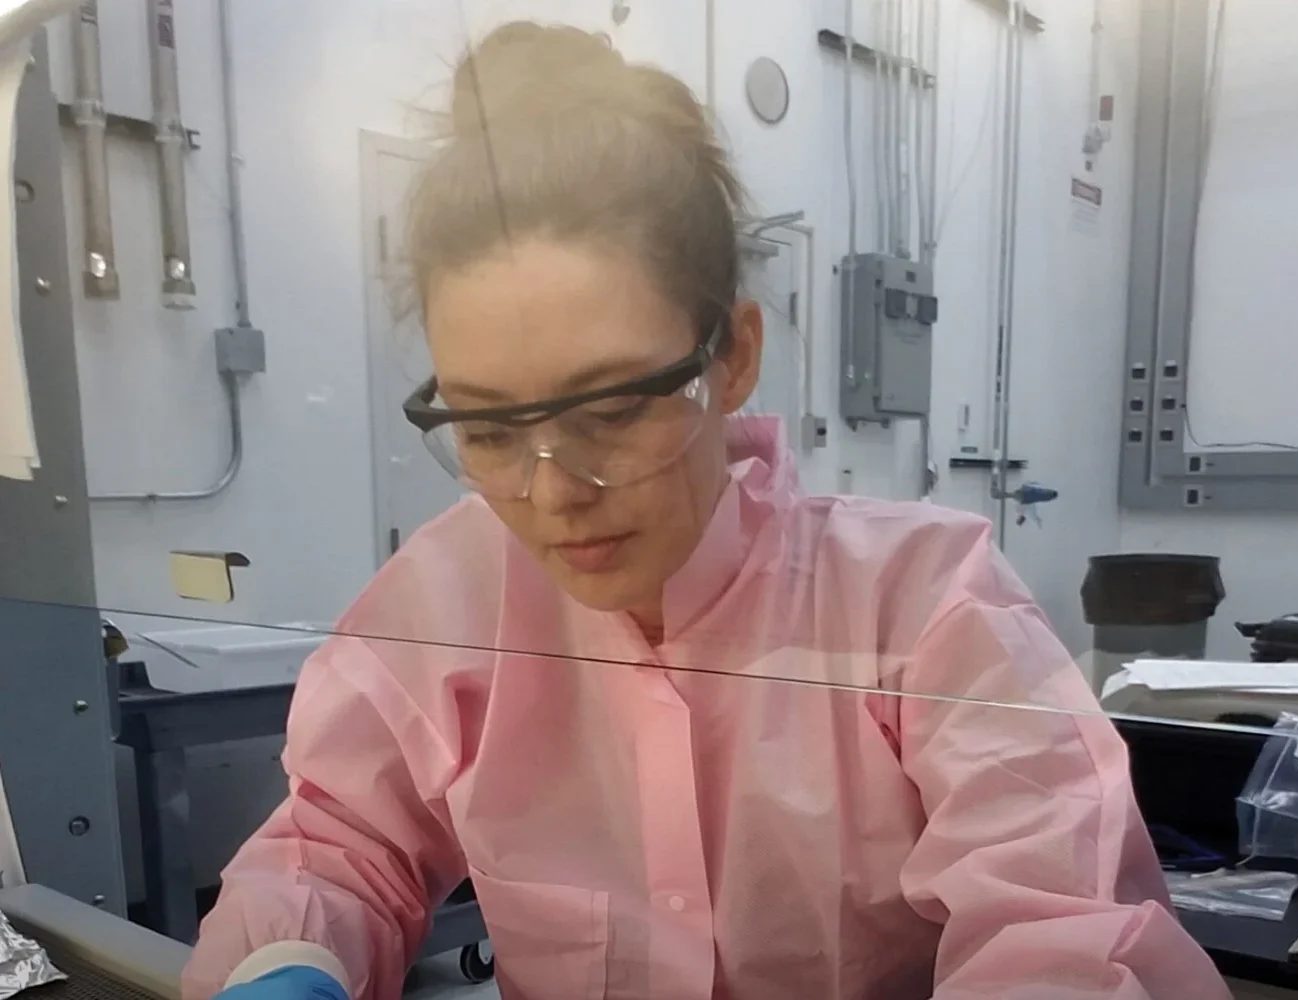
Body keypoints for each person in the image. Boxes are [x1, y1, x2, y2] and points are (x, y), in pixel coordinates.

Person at [186, 22, 1230, 1000]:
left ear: (730, 355)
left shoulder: (918, 607)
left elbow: (1058, 928)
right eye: (490, 430)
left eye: (610, 410)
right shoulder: (451, 597)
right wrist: (291, 956)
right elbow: (336, 846)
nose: (551, 494)